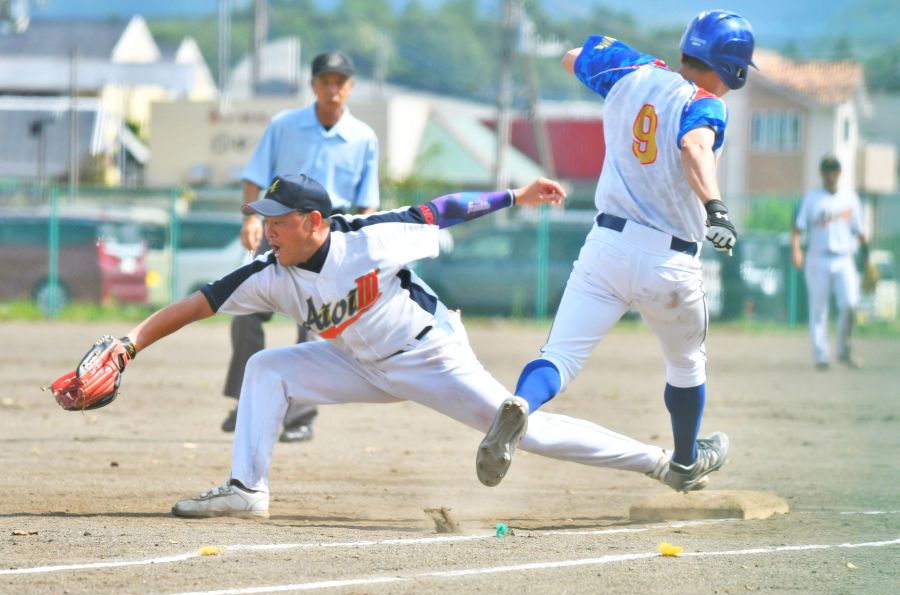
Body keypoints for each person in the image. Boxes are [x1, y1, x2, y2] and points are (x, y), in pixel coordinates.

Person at [89, 173, 686, 518]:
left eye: (279, 218)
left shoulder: (369, 240)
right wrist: (130, 344)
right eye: (265, 218)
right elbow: (199, 303)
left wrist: (515, 196)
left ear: (314, 220)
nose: (268, 227)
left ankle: (662, 463)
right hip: (356, 363)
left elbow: (442, 210)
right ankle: (248, 489)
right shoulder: (269, 271)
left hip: (432, 356)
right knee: (268, 367)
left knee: (527, 430)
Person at [476, 10, 756, 492]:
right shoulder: (707, 103)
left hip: (606, 245)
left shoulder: (633, 70)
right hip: (670, 262)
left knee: (559, 356)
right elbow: (693, 145)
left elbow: (571, 58)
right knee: (686, 363)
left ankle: (522, 402)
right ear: (733, 68)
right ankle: (687, 461)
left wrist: (619, 86)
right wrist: (716, 209)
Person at [224, 50, 380, 443]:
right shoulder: (285, 125)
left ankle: (300, 416)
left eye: (340, 82)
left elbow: (368, 202)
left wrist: (364, 245)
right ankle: (248, 400)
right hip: (278, 231)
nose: (332, 89)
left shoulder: (363, 137)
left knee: (317, 325)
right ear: (312, 85)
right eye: (325, 81)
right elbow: (255, 174)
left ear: (350, 87)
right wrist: (249, 219)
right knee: (245, 310)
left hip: (330, 240)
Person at [791, 154, 868, 370]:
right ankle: (821, 356)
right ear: (821, 173)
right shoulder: (812, 198)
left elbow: (860, 231)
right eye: (826, 169)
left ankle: (844, 350)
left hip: (844, 258)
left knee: (850, 304)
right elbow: (797, 228)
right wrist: (796, 250)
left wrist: (868, 256)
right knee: (818, 309)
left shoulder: (850, 199)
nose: (830, 173)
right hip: (817, 257)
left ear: (839, 172)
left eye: (833, 169)